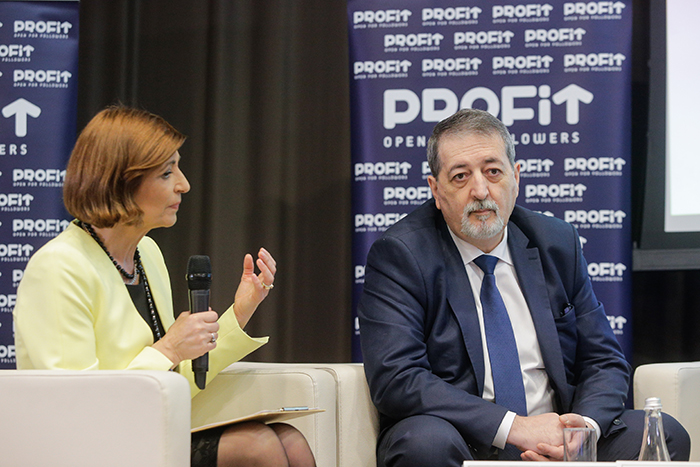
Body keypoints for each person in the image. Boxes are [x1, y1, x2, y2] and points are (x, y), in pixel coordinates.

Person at [358, 108, 690, 466]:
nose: (480, 191)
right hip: (463, 439)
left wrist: (580, 433)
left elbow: (603, 360)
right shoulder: (402, 254)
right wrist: (514, 427)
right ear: (436, 190)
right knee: (424, 444)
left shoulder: (556, 242)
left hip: (558, 436)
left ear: (515, 178)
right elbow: (397, 378)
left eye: (493, 172)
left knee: (664, 434)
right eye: (460, 176)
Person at [13, 105, 315, 467]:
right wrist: (169, 348)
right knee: (259, 446)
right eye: (167, 173)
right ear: (120, 182)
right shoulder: (60, 267)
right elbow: (75, 407)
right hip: (89, 448)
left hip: (143, 431)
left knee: (291, 440)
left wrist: (240, 311)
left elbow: (171, 381)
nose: (184, 184)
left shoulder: (147, 253)